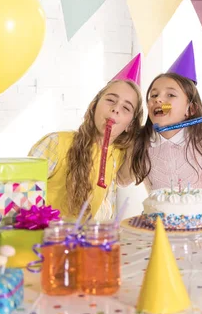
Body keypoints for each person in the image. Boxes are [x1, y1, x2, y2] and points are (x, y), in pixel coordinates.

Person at [121, 42, 202, 225]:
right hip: (169, 227)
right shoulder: (140, 145)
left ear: (190, 109)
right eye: (153, 95)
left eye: (170, 95)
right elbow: (121, 180)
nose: (159, 99)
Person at [29, 79, 143, 220]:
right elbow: (22, 197)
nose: (116, 109)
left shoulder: (118, 156)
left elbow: (127, 178)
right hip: (50, 238)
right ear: (93, 106)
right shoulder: (55, 143)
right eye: (111, 100)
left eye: (126, 108)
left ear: (130, 125)